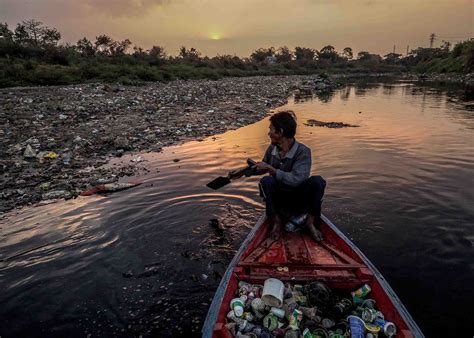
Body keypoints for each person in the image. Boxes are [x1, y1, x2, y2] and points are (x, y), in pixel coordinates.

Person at [254, 110, 326, 241]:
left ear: (280, 132)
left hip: (299, 198)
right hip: (280, 199)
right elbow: (262, 167)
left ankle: (310, 222)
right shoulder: (272, 149)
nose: (268, 133)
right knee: (266, 181)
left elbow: (297, 180)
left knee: (318, 182)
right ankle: (276, 221)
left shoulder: (303, 152)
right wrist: (243, 171)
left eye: (271, 130)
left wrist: (272, 169)